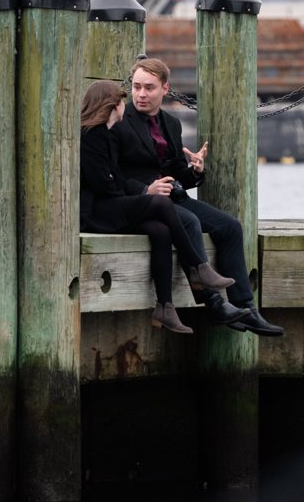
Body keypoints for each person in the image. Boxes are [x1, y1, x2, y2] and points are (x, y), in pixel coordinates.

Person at [113, 56, 284, 337]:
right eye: (136, 87)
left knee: (230, 227)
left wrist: (195, 170)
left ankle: (246, 307)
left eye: (149, 88)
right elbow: (112, 173)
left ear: (165, 89)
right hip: (143, 202)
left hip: (174, 198)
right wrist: (145, 189)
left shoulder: (171, 123)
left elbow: (178, 173)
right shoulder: (120, 121)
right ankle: (214, 304)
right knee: (190, 222)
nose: (141, 94)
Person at [78, 80, 234, 334]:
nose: (124, 105)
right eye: (121, 101)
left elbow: (112, 178)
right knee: (161, 203)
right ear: (112, 105)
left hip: (111, 203)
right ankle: (198, 267)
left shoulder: (105, 134)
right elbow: (100, 182)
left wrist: (192, 171)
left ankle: (165, 308)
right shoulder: (91, 134)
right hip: (95, 211)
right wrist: (131, 193)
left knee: (161, 231)